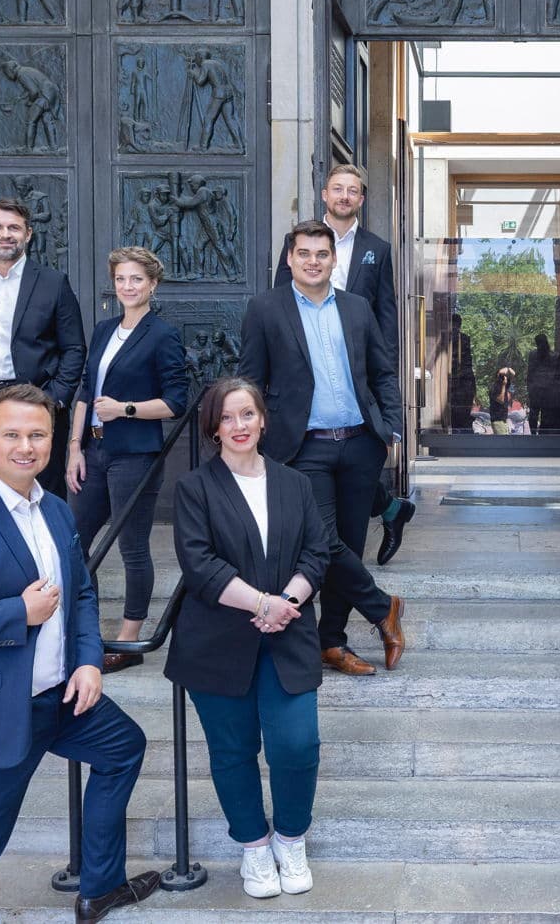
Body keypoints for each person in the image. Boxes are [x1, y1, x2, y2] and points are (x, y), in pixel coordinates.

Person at [0, 385, 159, 923]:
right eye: (13, 434)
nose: (26, 446)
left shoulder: (59, 513)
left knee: (125, 748)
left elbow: (82, 593)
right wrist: (16, 613)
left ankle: (99, 887)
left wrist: (89, 659)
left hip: (60, 698)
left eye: (38, 434)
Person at [168, 378, 330, 899]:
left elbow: (318, 552)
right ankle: (254, 848)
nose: (238, 426)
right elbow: (200, 566)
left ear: (263, 419)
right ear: (212, 427)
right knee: (232, 750)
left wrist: (288, 603)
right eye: (226, 417)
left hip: (289, 635)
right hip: (217, 641)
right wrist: (264, 605)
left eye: (247, 415)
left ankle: (290, 838)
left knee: (297, 745)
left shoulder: (294, 483)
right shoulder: (195, 488)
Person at [238, 220, 408, 677]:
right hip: (301, 447)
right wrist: (247, 436)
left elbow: (382, 371)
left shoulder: (356, 308)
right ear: (289, 259)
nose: (313, 262)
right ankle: (382, 608)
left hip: (359, 443)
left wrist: (391, 427)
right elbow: (251, 379)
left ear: (334, 261)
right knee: (324, 543)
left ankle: (331, 642)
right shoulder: (265, 309)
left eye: (322, 254)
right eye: (304, 253)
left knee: (349, 544)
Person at [274, 165, 416, 566]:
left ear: (361, 199)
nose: (344, 196)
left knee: (352, 459)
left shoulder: (377, 248)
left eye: (352, 191)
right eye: (337, 189)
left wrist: (382, 387)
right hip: (305, 376)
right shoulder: (299, 242)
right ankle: (390, 510)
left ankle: (380, 520)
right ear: (324, 194)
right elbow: (278, 306)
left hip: (356, 377)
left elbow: (385, 318)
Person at [67, 248, 189, 672]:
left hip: (134, 455)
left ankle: (128, 640)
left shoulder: (162, 335)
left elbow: (176, 401)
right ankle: (86, 630)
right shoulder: (103, 330)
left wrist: (126, 409)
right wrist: (73, 448)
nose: (128, 287)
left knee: (132, 547)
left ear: (152, 284)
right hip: (94, 451)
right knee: (74, 543)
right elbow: (85, 391)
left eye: (136, 279)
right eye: (121, 279)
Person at [0, 197, 86, 497]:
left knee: (40, 490)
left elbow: (74, 347)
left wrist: (56, 399)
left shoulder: (52, 282)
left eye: (14, 228)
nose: (5, 234)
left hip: (35, 398)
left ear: (28, 234)